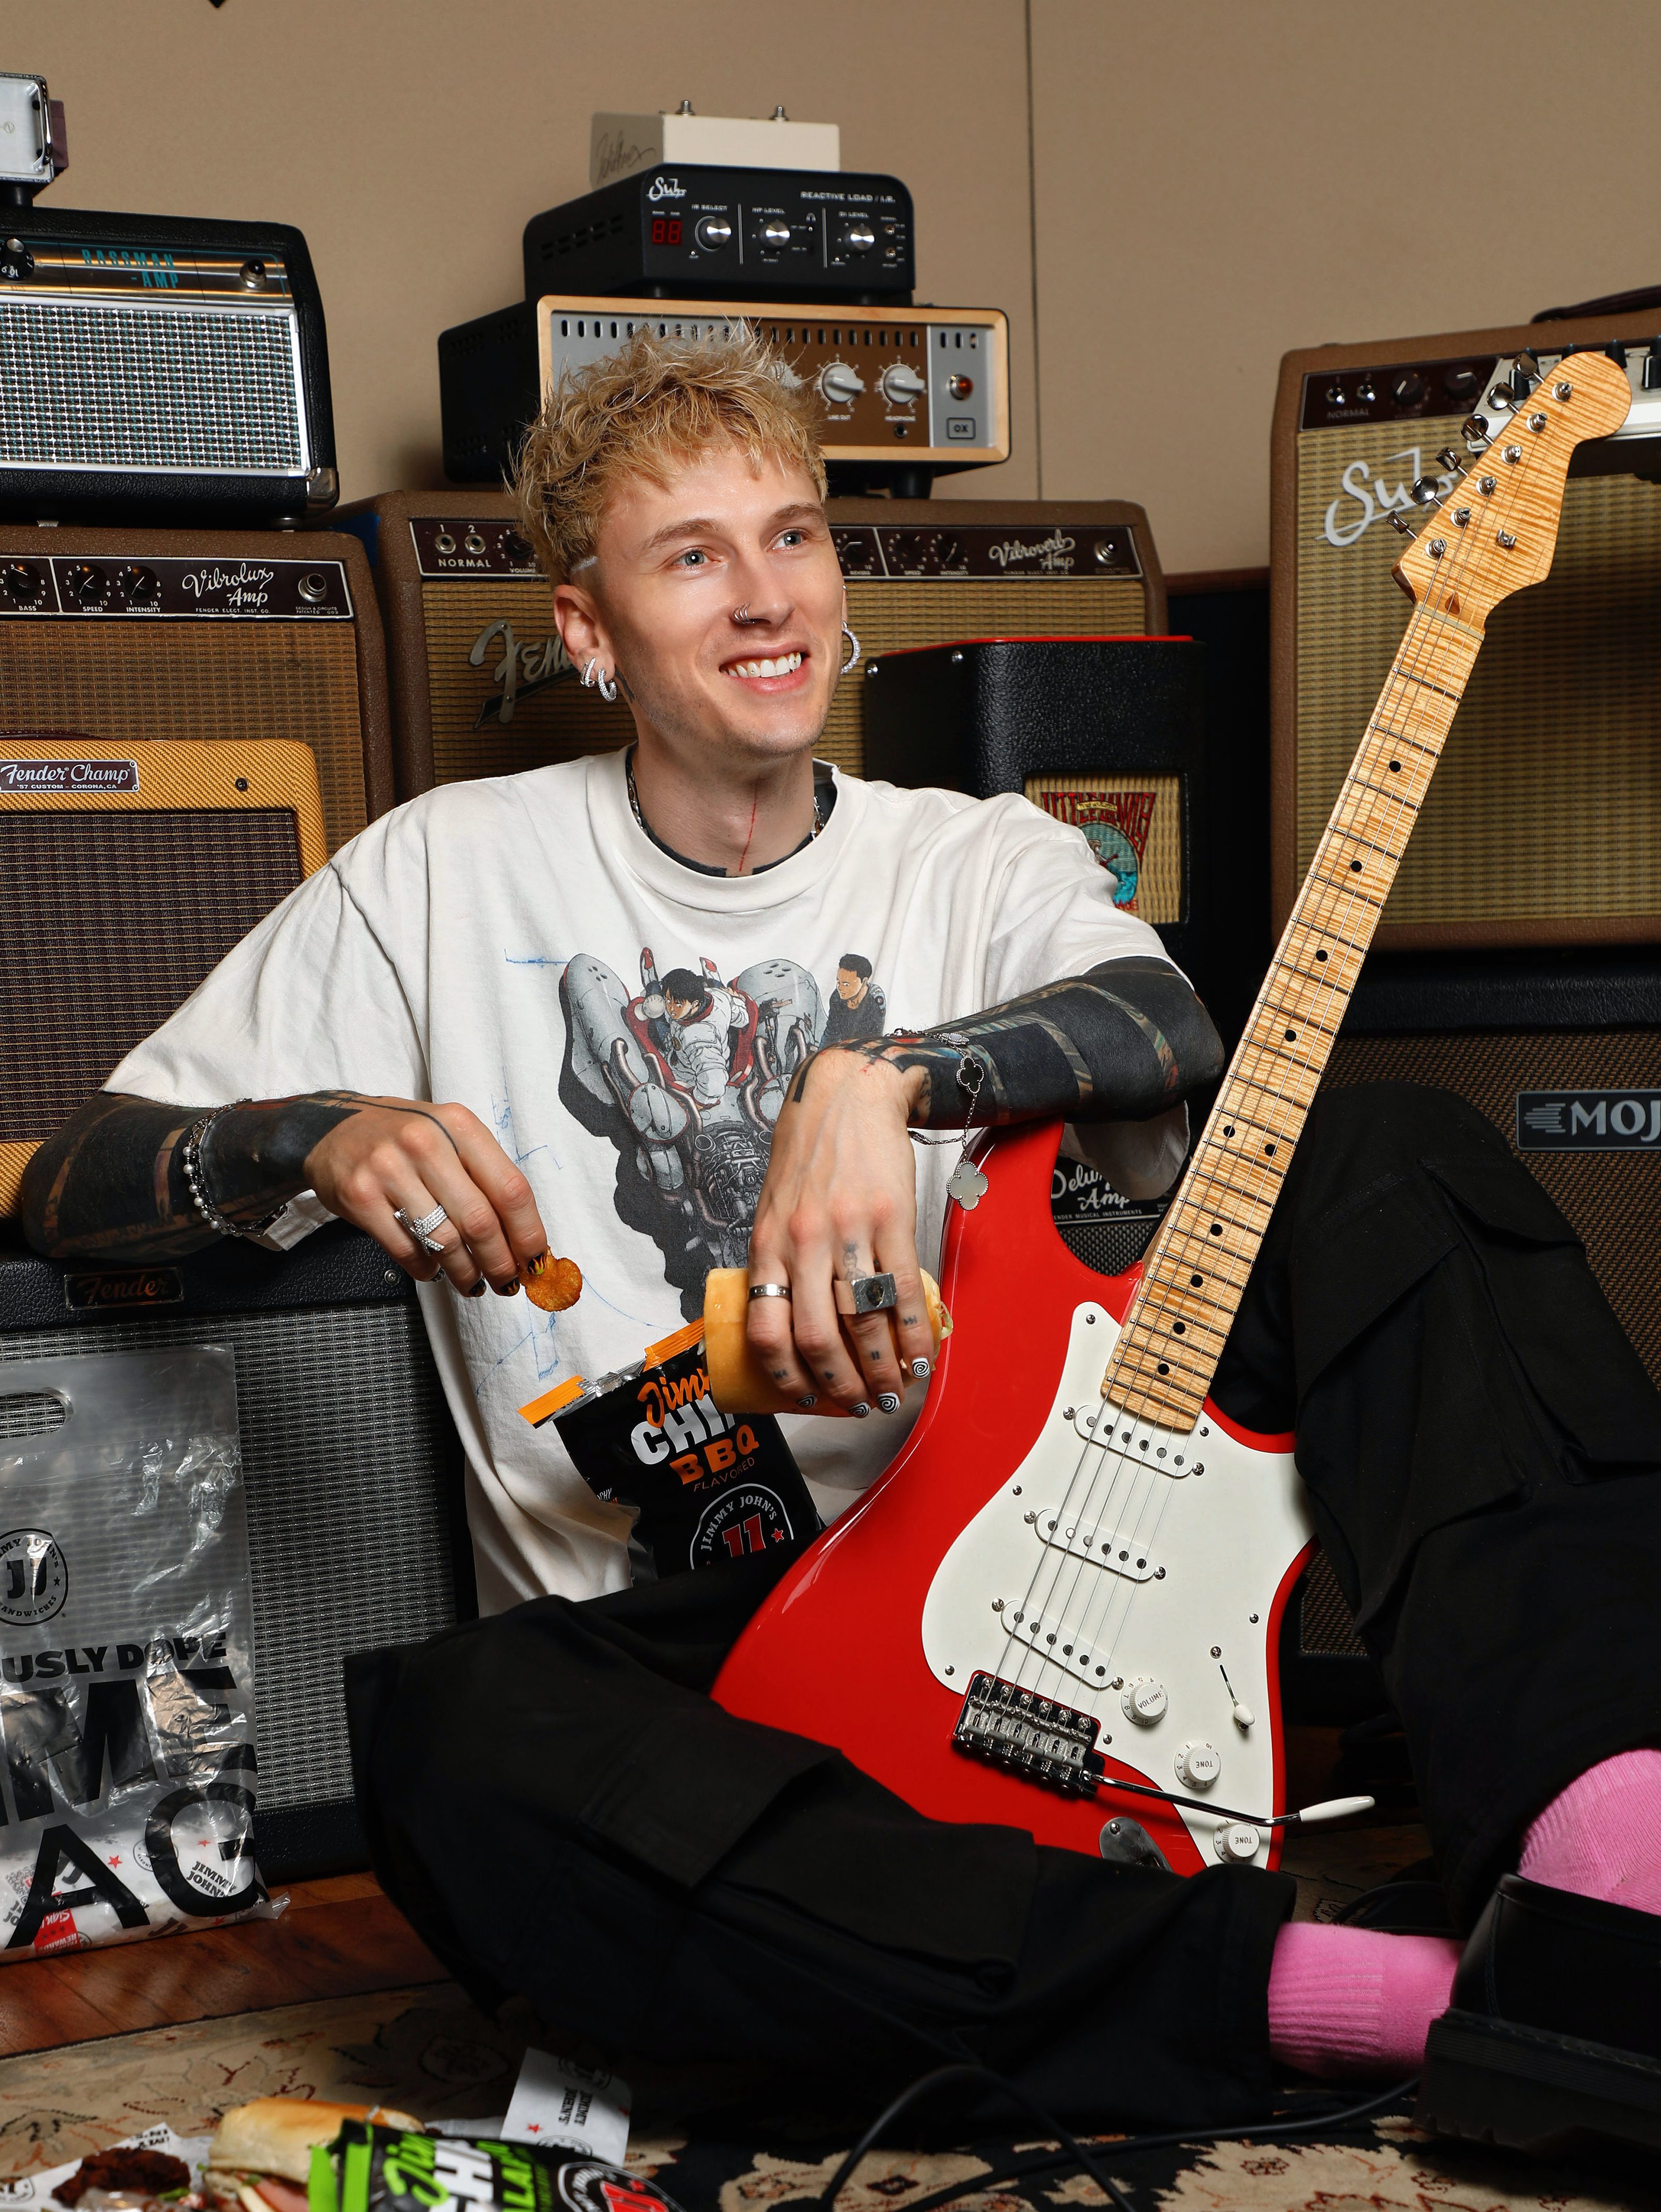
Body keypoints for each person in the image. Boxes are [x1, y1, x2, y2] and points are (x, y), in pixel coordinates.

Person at [21, 330, 1661, 2159]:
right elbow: (67, 1176)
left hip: (1014, 1558)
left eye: (794, 536)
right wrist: (304, 1127)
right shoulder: (431, 876)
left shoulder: (970, 856)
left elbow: (1164, 1019)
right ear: (587, 629)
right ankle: (1360, 1997)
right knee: (455, 1746)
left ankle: (1615, 1881)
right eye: (692, 554)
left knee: (1391, 1151)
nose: (764, 596)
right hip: (698, 1693)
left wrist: (882, 1078)